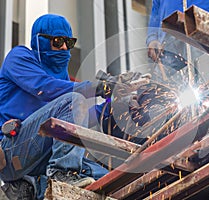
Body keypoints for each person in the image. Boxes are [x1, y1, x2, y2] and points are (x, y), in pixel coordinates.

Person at [0, 14, 140, 199]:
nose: (64, 48)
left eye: (69, 42)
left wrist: (113, 108)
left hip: (41, 159)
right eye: (58, 42)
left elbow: (78, 120)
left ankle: (56, 177)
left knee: (113, 181)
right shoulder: (19, 57)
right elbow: (44, 87)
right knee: (74, 99)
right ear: (40, 41)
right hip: (12, 152)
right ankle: (62, 174)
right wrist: (98, 88)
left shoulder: (63, 81)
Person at [146, 0, 209, 85]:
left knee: (206, 77)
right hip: (168, 37)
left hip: (200, 27)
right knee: (170, 86)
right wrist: (152, 37)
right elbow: (156, 10)